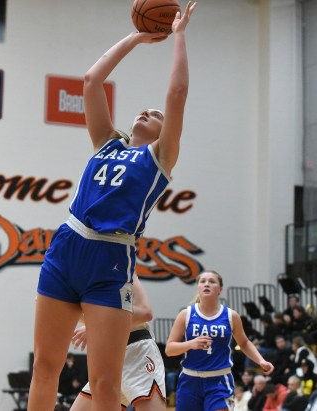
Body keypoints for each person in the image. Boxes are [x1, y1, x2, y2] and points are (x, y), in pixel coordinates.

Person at [28, 4, 197, 411]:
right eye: (144, 109)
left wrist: (177, 35)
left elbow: (176, 95)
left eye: (155, 115)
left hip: (110, 259)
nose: (148, 111)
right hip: (67, 246)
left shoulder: (159, 159)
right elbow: (91, 81)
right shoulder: (107, 143)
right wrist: (139, 37)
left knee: (105, 383)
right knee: (45, 366)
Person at [165, 271, 274, 411]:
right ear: (198, 287)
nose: (206, 284)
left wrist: (260, 361)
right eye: (203, 281)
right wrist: (190, 344)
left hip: (219, 380)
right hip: (190, 379)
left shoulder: (231, 316)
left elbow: (244, 343)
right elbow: (169, 349)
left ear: (220, 289)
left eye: (212, 281)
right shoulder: (186, 314)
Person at [69, 275, 166, 411]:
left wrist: (97, 325)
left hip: (136, 350)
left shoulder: (126, 267)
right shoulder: (82, 274)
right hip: (107, 357)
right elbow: (88, 316)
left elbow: (144, 313)